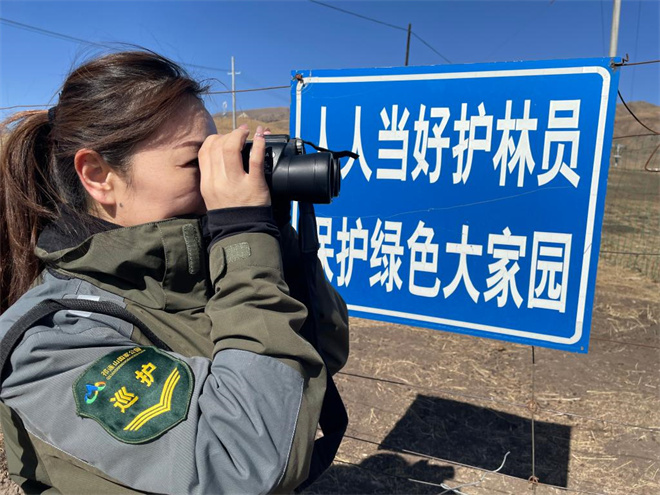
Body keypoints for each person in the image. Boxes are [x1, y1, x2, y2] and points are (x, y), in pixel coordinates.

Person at [0, 50, 349, 494]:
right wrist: (243, 236)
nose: (215, 179)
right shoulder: (48, 341)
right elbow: (239, 463)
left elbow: (327, 354)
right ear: (98, 175)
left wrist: (271, 239)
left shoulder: (199, 272)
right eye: (194, 163)